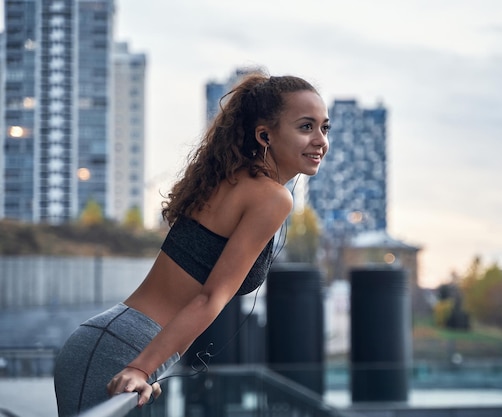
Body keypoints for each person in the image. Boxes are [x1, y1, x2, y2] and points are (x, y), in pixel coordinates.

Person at [53, 70, 330, 416]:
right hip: (120, 349)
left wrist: (148, 365)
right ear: (265, 135)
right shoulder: (272, 198)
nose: (320, 139)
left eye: (324, 127)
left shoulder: (233, 181)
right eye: (306, 127)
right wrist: (141, 367)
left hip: (121, 343)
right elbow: (210, 296)